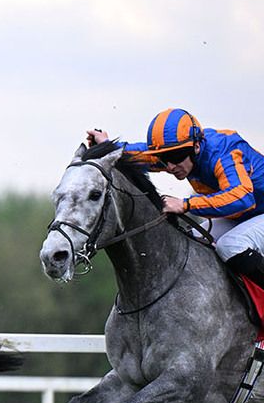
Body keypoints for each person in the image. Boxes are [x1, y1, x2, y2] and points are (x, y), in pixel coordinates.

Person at [88, 108, 264, 285]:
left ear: (196, 146)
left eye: (176, 156)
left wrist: (185, 205)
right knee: (193, 243)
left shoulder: (222, 153)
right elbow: (139, 153)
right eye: (164, 158)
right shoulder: (182, 153)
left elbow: (243, 198)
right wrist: (106, 146)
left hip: (251, 210)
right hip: (245, 216)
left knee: (231, 246)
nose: (170, 166)